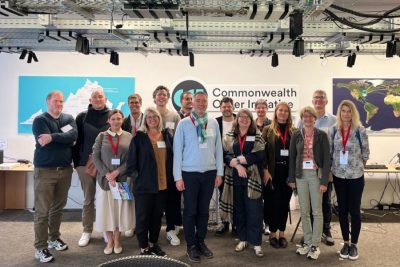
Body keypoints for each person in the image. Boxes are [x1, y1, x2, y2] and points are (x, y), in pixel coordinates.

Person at [173, 92, 223, 263]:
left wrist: (219, 173)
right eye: (198, 101)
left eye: (204, 101)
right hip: (189, 174)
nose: (201, 104)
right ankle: (191, 246)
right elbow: (177, 152)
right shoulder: (184, 124)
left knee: (203, 211)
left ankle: (201, 241)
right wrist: (177, 177)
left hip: (209, 174)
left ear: (207, 103)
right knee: (190, 211)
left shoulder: (214, 123)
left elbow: (218, 150)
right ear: (192, 103)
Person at [32, 91, 78, 263]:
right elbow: (43, 143)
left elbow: (73, 137)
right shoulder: (40, 120)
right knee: (42, 212)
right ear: (47, 102)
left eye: (61, 101)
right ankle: (40, 247)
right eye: (55, 101)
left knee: (58, 209)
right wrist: (63, 140)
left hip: (65, 170)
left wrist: (52, 137)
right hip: (45, 171)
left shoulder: (68, 118)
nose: (59, 104)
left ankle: (53, 238)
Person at [126, 107, 174, 256]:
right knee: (142, 217)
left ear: (159, 119)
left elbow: (172, 157)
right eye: (149, 117)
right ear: (145, 120)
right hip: (144, 186)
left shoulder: (166, 136)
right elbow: (131, 165)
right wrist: (138, 179)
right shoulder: (139, 137)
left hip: (163, 184)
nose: (152, 119)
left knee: (157, 217)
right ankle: (144, 247)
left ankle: (153, 243)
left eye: (155, 116)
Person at [220, 109, 266, 257]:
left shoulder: (256, 135)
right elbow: (225, 155)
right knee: (239, 210)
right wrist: (237, 165)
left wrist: (238, 160)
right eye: (241, 117)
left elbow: (259, 155)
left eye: (247, 117)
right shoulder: (230, 136)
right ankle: (243, 238)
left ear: (251, 120)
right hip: (235, 177)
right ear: (237, 119)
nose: (244, 119)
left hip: (252, 178)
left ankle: (257, 243)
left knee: (254, 211)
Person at [288, 106, 330, 260]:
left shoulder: (322, 135)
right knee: (304, 211)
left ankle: (315, 244)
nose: (307, 119)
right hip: (300, 176)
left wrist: (324, 181)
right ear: (302, 118)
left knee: (317, 211)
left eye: (310, 116)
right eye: (304, 116)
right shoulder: (296, 135)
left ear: (315, 118)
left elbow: (326, 160)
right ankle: (307, 242)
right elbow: (292, 158)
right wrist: (291, 178)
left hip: (315, 176)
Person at [331, 100, 369, 261]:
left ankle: (354, 244)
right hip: (339, 176)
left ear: (353, 113)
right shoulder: (334, 130)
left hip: (355, 177)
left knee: (354, 211)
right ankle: (345, 242)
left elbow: (366, 153)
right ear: (339, 113)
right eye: (343, 111)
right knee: (342, 210)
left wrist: (358, 166)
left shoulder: (360, 130)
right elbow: (331, 152)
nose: (346, 114)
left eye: (348, 111)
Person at [297, 90, 336, 246]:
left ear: (326, 101)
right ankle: (311, 232)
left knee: (325, 201)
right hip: (306, 169)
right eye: (316, 98)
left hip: (326, 167)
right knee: (308, 202)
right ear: (312, 101)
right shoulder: (302, 121)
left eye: (321, 98)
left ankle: (325, 230)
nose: (318, 100)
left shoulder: (333, 120)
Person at [92, 109, 133, 255]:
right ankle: (109, 241)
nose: (116, 121)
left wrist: (117, 172)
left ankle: (117, 240)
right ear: (108, 121)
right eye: (113, 119)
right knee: (106, 212)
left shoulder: (129, 136)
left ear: (123, 120)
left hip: (122, 181)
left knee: (119, 212)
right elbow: (95, 157)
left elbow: (131, 160)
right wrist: (107, 174)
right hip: (104, 181)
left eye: (119, 119)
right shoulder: (101, 136)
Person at [73, 88, 110, 247]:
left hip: (106, 165)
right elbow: (76, 141)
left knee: (105, 199)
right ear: (90, 100)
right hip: (85, 165)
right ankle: (87, 230)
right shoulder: (81, 117)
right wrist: (77, 163)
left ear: (105, 99)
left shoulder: (112, 116)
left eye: (100, 96)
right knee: (88, 199)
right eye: (94, 97)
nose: (97, 99)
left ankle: (105, 229)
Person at [262, 102, 295, 248]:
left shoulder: (294, 131)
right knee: (272, 203)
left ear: (289, 114)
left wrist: (294, 176)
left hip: (288, 174)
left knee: (284, 203)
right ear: (275, 112)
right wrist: (265, 170)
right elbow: (262, 153)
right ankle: (273, 233)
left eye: (285, 111)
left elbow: (297, 155)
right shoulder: (267, 130)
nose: (282, 113)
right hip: (272, 173)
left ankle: (282, 233)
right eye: (280, 110)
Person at [153, 85, 182, 246]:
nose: (162, 97)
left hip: (170, 162)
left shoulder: (174, 116)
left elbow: (178, 140)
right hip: (154, 163)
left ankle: (172, 228)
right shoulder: (149, 113)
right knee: (156, 199)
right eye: (159, 94)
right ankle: (154, 231)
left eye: (164, 94)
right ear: (154, 97)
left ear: (168, 97)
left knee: (172, 198)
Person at [215, 97, 236, 235]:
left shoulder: (239, 120)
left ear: (233, 107)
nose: (227, 109)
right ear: (220, 108)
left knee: (236, 195)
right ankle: (224, 222)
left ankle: (235, 224)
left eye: (229, 106)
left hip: (238, 165)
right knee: (223, 195)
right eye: (224, 107)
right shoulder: (215, 122)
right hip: (221, 165)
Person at [254, 98, 272, 235]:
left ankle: (267, 223)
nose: (261, 110)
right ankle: (258, 222)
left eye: (263, 107)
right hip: (254, 167)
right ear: (255, 109)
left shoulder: (272, 125)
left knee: (268, 197)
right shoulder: (250, 124)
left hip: (268, 167)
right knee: (256, 197)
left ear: (267, 109)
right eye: (258, 107)